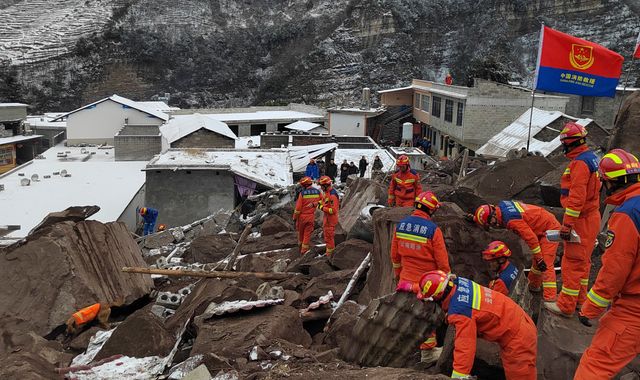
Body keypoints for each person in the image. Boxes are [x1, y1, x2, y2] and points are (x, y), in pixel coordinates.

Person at [574, 149, 640, 379]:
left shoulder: (628, 214)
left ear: (610, 183)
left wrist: (589, 309)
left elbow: (614, 271)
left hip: (633, 309)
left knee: (594, 366)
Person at [416, 270, 537, 380]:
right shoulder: (460, 283)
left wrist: (459, 376)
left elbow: (465, 347)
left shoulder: (460, 312)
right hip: (516, 321)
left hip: (518, 337)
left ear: (437, 298)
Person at [545, 122, 601, 317]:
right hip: (591, 217)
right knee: (583, 264)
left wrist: (567, 225)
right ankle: (580, 302)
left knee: (572, 263)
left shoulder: (579, 164)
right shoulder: (590, 159)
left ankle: (566, 306)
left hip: (581, 220)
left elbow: (577, 199)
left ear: (569, 143)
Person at [391, 191, 450, 364]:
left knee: (407, 314)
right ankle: (427, 354)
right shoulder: (433, 230)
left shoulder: (401, 226)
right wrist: (447, 281)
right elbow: (442, 262)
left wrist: (398, 277)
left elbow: (395, 257)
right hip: (427, 284)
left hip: (405, 281)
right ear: (431, 210)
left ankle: (403, 349)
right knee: (426, 318)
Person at [472, 200, 559, 301]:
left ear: (494, 214)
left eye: (491, 222)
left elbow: (531, 239)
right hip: (541, 222)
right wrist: (475, 219)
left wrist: (539, 258)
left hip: (549, 228)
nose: (493, 225)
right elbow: (489, 217)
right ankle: (533, 285)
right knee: (537, 261)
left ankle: (550, 298)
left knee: (545, 262)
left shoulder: (512, 220)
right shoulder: (502, 207)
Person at [293, 176, 320, 255]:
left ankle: (301, 248)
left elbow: (298, 208)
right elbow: (323, 200)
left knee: (301, 233)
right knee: (307, 234)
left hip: (302, 217)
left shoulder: (302, 194)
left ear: (304, 185)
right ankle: (304, 250)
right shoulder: (317, 192)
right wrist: (314, 204)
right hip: (311, 216)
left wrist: (294, 218)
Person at [318, 176, 339, 256]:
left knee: (329, 239)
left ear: (326, 185)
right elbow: (324, 201)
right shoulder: (327, 193)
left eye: (322, 186)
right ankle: (329, 254)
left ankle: (330, 256)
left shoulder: (332, 195)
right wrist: (319, 203)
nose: (321, 188)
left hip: (330, 220)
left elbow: (333, 210)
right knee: (327, 238)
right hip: (327, 220)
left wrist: (322, 208)